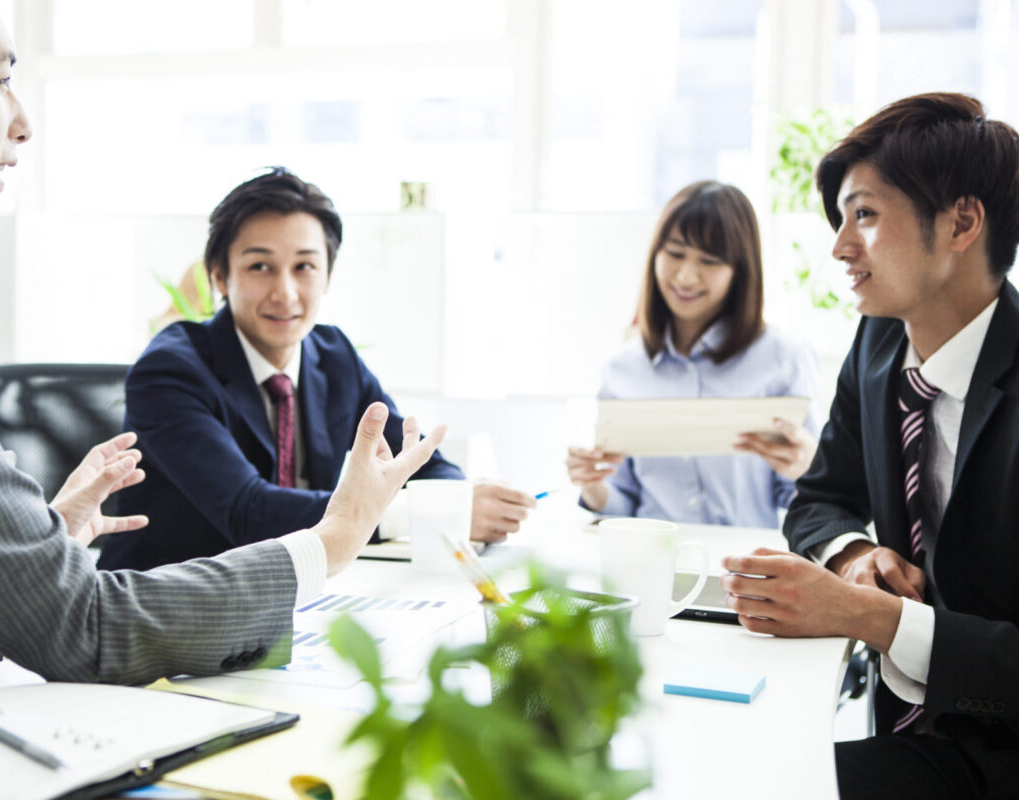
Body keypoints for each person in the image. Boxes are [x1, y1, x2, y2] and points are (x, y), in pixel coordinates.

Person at [0, 0, 444, 712]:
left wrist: (32, 545)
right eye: (0, 81)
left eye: (306, 267)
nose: (22, 122)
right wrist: (335, 539)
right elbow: (84, 626)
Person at [719, 93, 1019, 798]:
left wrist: (873, 618)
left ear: (961, 223)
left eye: (866, 214)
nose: (839, 246)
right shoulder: (880, 341)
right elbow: (822, 496)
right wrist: (855, 558)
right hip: (900, 733)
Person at [98, 168, 536, 571]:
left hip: (301, 602)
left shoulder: (333, 355)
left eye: (304, 267)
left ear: (327, 276)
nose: (285, 293)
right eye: (260, 267)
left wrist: (460, 501)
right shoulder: (170, 371)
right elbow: (248, 512)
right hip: (165, 610)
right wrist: (416, 513)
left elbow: (423, 467)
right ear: (219, 277)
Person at [565, 181, 821, 529]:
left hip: (747, 570)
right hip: (650, 569)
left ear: (740, 270)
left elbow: (806, 502)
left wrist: (807, 470)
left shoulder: (784, 358)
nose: (686, 276)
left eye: (710, 260)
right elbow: (623, 505)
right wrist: (592, 485)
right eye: (674, 253)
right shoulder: (622, 369)